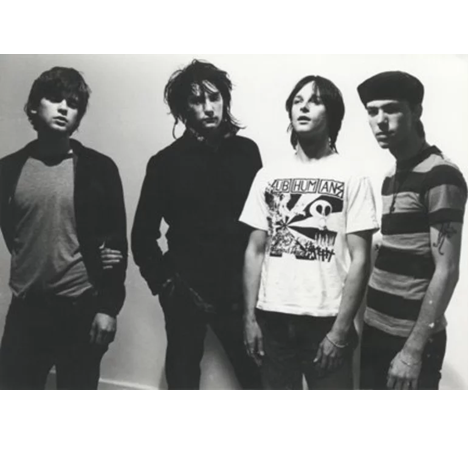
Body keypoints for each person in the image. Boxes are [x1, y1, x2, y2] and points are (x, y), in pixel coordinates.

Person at [240, 75, 379, 390]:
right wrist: (249, 320)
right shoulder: (268, 175)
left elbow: (360, 259)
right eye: (297, 101)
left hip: (326, 320)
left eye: (315, 101)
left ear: (332, 113)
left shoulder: (352, 176)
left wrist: (340, 331)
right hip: (273, 318)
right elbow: (255, 250)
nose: (303, 108)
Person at [132, 59, 262, 389]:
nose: (208, 108)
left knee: (257, 377)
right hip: (186, 292)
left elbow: (260, 225)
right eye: (197, 100)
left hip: (239, 292)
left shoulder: (247, 153)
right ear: (183, 108)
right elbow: (142, 235)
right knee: (182, 379)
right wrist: (166, 285)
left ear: (225, 100)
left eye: (214, 98)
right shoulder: (165, 163)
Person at [0, 67, 128, 390]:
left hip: (80, 310)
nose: (63, 108)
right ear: (33, 107)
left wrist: (108, 309)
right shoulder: (8, 169)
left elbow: (116, 244)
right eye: (55, 99)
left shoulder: (99, 169)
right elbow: (14, 234)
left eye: (73, 104)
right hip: (25, 311)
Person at [357, 71, 467, 390]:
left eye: (391, 109)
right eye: (372, 111)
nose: (380, 121)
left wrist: (413, 350)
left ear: (416, 111)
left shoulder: (441, 175)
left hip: (410, 340)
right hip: (376, 328)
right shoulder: (391, 175)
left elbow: (447, 270)